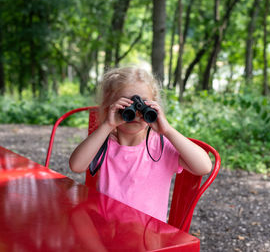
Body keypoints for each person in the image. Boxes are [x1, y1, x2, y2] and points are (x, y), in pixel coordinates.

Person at [69, 66, 212, 222]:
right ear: (110, 106)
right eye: (126, 105)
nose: (136, 114)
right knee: (76, 217)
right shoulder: (105, 143)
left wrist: (168, 130)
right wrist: (107, 125)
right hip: (108, 231)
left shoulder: (161, 146)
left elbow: (204, 167)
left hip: (147, 238)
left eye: (143, 105)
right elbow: (76, 166)